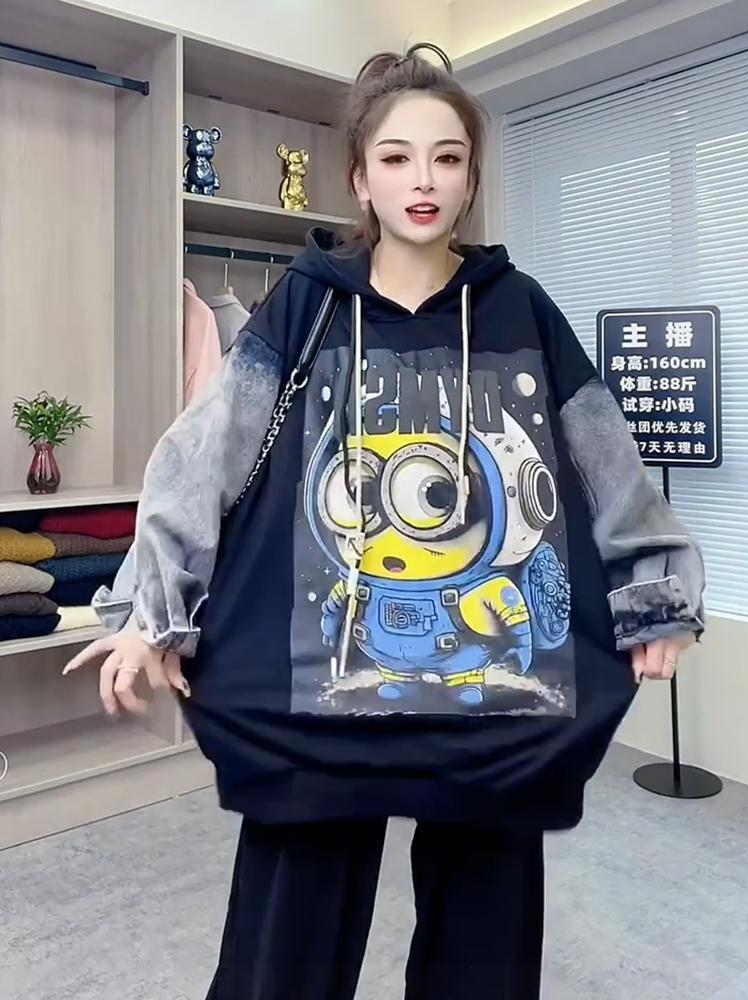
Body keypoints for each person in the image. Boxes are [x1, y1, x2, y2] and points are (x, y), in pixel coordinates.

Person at [63, 44, 705, 1000]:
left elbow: (604, 458)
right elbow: (202, 459)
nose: (424, 180)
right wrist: (149, 611)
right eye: (397, 157)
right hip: (315, 689)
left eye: (448, 157)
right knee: (285, 947)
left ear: (472, 177)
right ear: (360, 178)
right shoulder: (306, 306)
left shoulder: (522, 308)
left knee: (484, 945)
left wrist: (656, 592)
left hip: (495, 693)